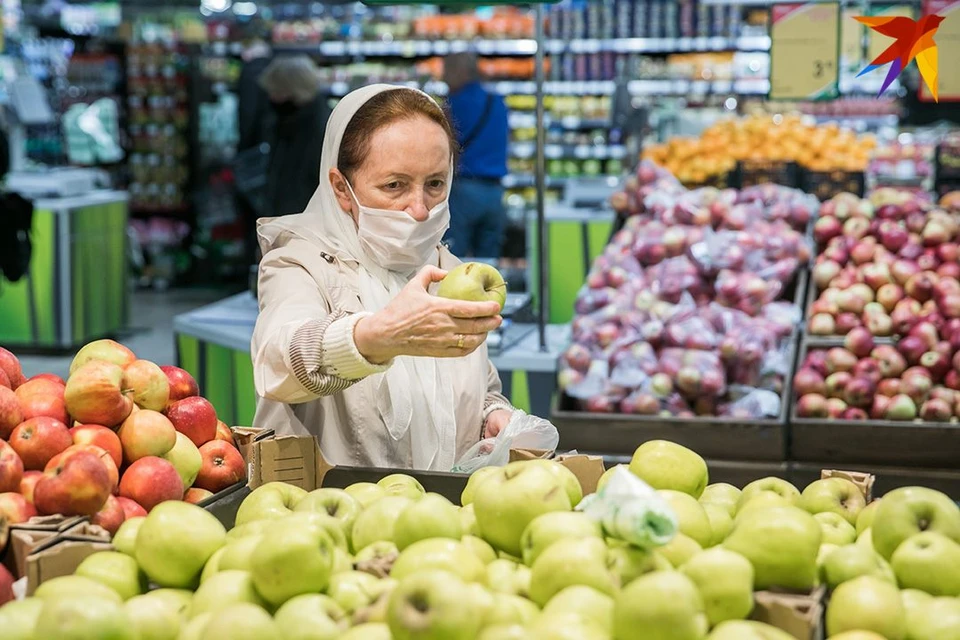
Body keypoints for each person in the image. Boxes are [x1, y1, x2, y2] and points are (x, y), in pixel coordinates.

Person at [251, 85, 515, 470]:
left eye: (435, 184)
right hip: (333, 518)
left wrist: (491, 414)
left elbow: (478, 387)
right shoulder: (299, 262)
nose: (420, 209)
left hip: (441, 518)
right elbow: (279, 358)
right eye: (395, 185)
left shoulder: (452, 270)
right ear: (342, 188)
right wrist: (376, 336)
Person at [442, 52, 509, 259]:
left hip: (464, 190)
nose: (443, 77)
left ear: (460, 72)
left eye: (447, 71)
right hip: (495, 193)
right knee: (489, 262)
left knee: (453, 258)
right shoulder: (496, 101)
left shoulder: (454, 104)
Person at [257, 56, 332, 218]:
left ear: (294, 91)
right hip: (286, 219)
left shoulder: (319, 128)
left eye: (277, 92)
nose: (271, 98)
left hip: (303, 223)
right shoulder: (287, 120)